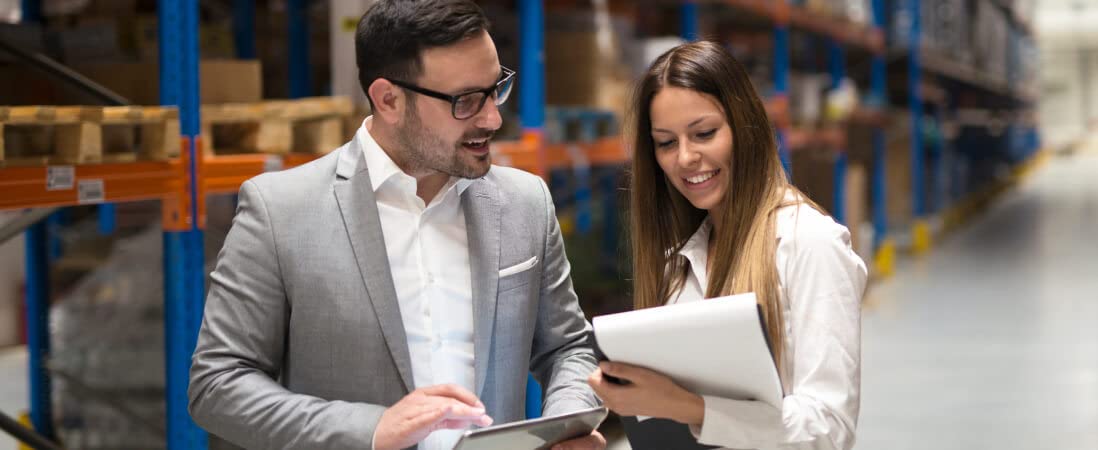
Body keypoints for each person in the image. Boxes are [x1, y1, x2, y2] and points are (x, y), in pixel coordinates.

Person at [188, 2, 605, 449]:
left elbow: (567, 348)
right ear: (389, 99)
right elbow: (218, 383)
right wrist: (371, 430)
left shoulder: (525, 202)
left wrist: (566, 422)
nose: (492, 118)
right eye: (465, 101)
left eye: (495, 88)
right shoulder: (281, 210)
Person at [587, 40, 867, 450]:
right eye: (666, 143)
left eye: (704, 134)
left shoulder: (809, 244)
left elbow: (829, 430)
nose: (685, 157)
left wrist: (692, 409)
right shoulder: (679, 263)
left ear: (745, 126)